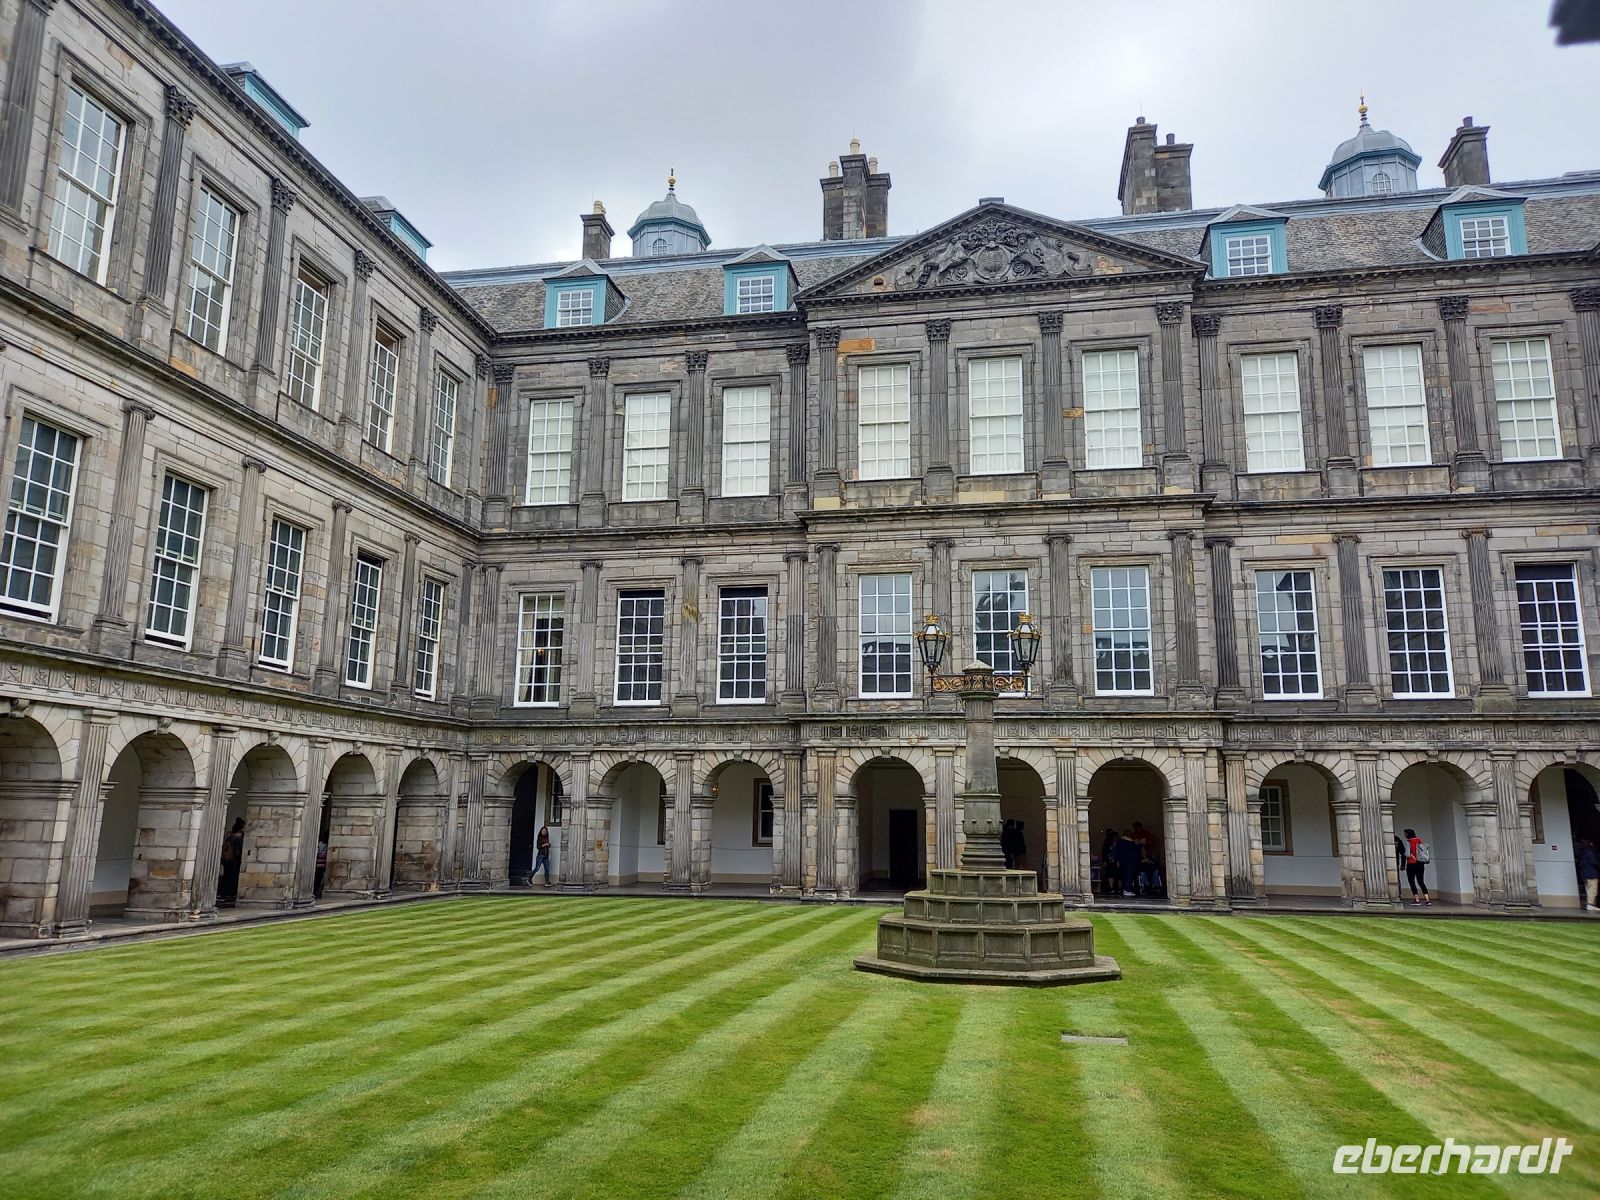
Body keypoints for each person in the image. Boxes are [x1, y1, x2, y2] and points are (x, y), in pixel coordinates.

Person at [218, 817, 244, 904]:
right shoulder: (238, 837)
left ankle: (225, 893)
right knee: (232, 877)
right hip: (234, 860)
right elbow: (239, 849)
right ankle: (229, 893)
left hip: (227, 860)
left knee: (227, 876)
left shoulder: (229, 836)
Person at [1403, 827, 1430, 906]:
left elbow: (1407, 854)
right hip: (1420, 863)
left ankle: (1417, 899)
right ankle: (1427, 899)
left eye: (1405, 833)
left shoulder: (1408, 842)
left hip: (1411, 864)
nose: (1405, 835)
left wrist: (1404, 853)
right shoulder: (1419, 840)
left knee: (1412, 881)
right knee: (1421, 881)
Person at [1114, 833, 1143, 899]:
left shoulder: (1120, 843)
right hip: (1129, 862)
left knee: (1126, 876)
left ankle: (1126, 889)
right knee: (1128, 876)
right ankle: (1127, 889)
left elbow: (1117, 853)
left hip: (1124, 862)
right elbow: (1134, 850)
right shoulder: (1129, 843)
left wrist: (1118, 861)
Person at [1578, 838, 1599, 911]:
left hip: (1585, 875)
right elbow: (1594, 863)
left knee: (1588, 890)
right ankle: (1591, 905)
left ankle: (1590, 904)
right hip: (1591, 874)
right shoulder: (1590, 852)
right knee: (1593, 890)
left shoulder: (1583, 852)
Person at [1099, 828, 1121, 896]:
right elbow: (1104, 852)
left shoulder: (1119, 843)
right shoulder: (1107, 843)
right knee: (1110, 874)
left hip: (1117, 861)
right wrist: (1104, 861)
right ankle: (1111, 888)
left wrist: (1119, 861)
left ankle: (1119, 888)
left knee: (1119, 874)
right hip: (1110, 861)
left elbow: (1120, 853)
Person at [1393, 832, 1408, 900]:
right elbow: (1403, 853)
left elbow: (1403, 853)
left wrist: (1403, 864)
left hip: (1395, 862)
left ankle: (1397, 895)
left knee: (1396, 879)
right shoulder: (1397, 839)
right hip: (1395, 862)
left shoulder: (1397, 839)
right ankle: (1398, 895)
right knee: (1396, 879)